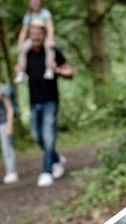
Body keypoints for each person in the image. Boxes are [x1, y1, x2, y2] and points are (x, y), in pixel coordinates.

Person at [25, 23, 73, 187]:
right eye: (33, 34)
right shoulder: (27, 54)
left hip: (50, 101)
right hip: (34, 102)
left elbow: (70, 72)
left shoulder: (53, 52)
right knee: (36, 136)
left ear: (44, 35)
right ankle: (56, 158)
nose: (36, 37)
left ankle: (46, 171)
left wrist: (57, 70)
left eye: (39, 34)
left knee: (48, 135)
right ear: (30, 36)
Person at [14, 0, 55, 83]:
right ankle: (21, 72)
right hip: (33, 39)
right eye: (33, 1)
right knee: (23, 48)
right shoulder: (28, 16)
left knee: (49, 46)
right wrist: (20, 44)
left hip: (44, 38)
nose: (35, 3)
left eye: (37, 1)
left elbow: (50, 27)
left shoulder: (45, 13)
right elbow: (24, 31)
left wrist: (51, 39)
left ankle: (49, 68)